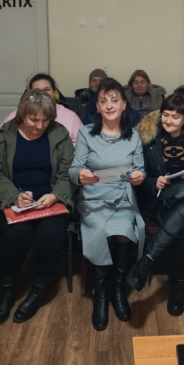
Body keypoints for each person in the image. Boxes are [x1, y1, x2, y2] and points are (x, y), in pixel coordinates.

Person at [0, 89, 74, 326]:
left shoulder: (59, 134)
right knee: (18, 234)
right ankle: (6, 294)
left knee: (50, 234)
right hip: (13, 201)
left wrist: (55, 195)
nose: (40, 126)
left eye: (46, 120)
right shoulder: (3, 137)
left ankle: (37, 293)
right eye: (34, 120)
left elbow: (68, 173)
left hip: (50, 201)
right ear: (22, 115)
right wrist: (13, 196)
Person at [127, 94, 184, 316]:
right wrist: (153, 182)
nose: (168, 121)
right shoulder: (150, 140)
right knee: (182, 223)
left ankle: (147, 261)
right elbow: (139, 175)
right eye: (166, 115)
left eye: (175, 117)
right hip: (162, 199)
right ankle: (179, 284)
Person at [68, 78, 145, 331]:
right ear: (97, 107)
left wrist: (139, 176)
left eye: (114, 100)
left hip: (122, 197)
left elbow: (140, 169)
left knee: (123, 232)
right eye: (104, 101)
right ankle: (100, 292)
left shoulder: (133, 135)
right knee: (100, 230)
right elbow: (74, 169)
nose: (109, 105)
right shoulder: (86, 133)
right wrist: (80, 175)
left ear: (123, 105)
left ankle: (117, 288)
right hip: (93, 197)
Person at [2, 73, 83, 147]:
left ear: (54, 92)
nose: (43, 94)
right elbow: (1, 139)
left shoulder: (71, 116)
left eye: (47, 89)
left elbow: (82, 144)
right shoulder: (16, 115)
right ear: (30, 94)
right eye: (37, 91)